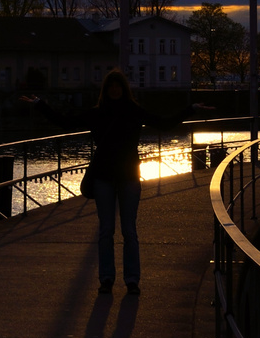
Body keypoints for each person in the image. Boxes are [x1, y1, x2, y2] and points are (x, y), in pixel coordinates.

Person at [20, 69, 206, 296]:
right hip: (104, 178)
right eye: (111, 86)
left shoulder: (134, 111)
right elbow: (66, 123)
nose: (115, 89)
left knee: (129, 230)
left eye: (118, 86)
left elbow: (164, 124)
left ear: (123, 89)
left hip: (128, 176)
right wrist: (40, 104)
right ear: (106, 90)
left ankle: (132, 280)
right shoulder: (97, 113)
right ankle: (107, 279)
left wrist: (191, 109)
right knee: (106, 230)